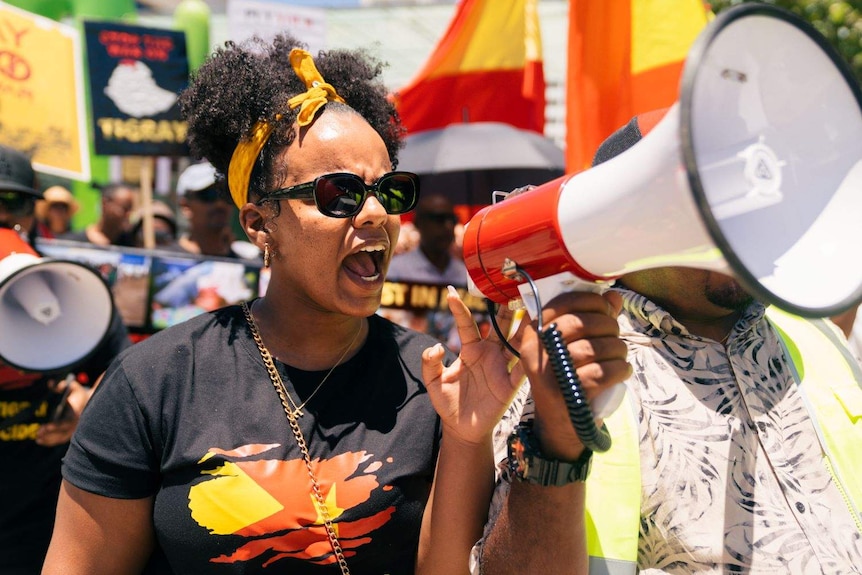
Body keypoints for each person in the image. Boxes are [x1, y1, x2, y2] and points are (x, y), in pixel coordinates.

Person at [42, 35, 629, 574]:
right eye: (338, 194)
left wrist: (469, 438)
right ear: (258, 222)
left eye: (390, 191)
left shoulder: (433, 381)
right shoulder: (158, 380)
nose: (375, 214)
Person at [474, 114, 862, 574]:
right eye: (706, 200)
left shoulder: (813, 336)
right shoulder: (572, 368)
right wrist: (553, 442)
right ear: (625, 227)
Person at [0, 144, 132, 575]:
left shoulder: (64, 289)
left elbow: (126, 372)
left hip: (36, 516)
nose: (4, 218)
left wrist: (85, 406)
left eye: (13, 202)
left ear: (32, 210)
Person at [386, 193, 470, 350]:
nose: (447, 227)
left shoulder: (464, 275)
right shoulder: (396, 271)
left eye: (452, 219)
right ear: (418, 223)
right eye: (438, 219)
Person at [175, 160, 260, 260]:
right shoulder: (163, 261)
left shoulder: (251, 260)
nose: (220, 204)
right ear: (185, 206)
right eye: (208, 195)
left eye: (225, 194)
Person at [61, 182, 137, 246]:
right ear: (104, 204)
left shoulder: (132, 245)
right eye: (124, 209)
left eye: (131, 209)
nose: (129, 214)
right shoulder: (72, 243)